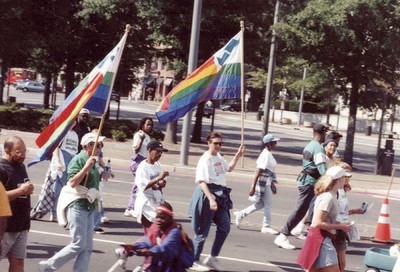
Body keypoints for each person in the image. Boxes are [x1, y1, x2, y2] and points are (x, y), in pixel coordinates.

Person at [38, 132, 104, 272]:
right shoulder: (79, 159)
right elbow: (72, 182)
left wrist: (103, 170)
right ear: (88, 146)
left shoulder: (93, 160)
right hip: (78, 205)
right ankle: (48, 266)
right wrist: (86, 167)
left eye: (101, 145)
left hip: (89, 205)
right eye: (98, 144)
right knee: (78, 243)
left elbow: (97, 179)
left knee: (87, 247)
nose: (100, 147)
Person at [188, 132, 244, 271]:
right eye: (215, 143)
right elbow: (201, 181)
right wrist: (211, 199)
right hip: (207, 194)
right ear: (209, 143)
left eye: (220, 143)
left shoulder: (218, 157)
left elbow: (228, 168)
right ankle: (194, 260)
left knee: (225, 227)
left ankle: (212, 258)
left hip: (220, 195)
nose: (218, 146)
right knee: (202, 231)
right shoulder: (205, 159)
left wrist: (238, 155)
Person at [274, 124, 328, 250]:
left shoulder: (310, 145)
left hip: (307, 181)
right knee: (300, 210)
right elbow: (322, 170)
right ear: (323, 133)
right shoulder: (318, 149)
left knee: (306, 210)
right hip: (310, 182)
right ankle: (283, 235)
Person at [297, 166, 351, 271]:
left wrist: (336, 223)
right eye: (345, 177)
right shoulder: (328, 197)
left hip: (323, 238)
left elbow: (325, 218)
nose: (346, 179)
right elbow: (317, 222)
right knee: (334, 270)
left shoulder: (332, 195)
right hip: (320, 239)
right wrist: (340, 226)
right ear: (339, 179)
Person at [113, 202, 192, 272]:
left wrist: (149, 252)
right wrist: (134, 247)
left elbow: (164, 248)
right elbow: (147, 242)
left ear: (170, 218)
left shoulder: (175, 233)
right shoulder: (155, 228)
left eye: (162, 218)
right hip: (156, 266)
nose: (158, 220)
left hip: (172, 267)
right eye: (157, 217)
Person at [31, 120, 79, 221]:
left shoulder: (75, 134)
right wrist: (58, 161)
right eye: (72, 120)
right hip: (61, 163)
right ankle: (53, 213)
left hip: (70, 163)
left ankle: (59, 212)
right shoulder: (62, 132)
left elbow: (74, 151)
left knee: (64, 190)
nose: (73, 123)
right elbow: (55, 147)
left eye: (75, 121)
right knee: (55, 190)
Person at [0, 136, 35, 272]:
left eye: (25, 151)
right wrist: (21, 190)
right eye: (19, 152)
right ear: (7, 151)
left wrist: (26, 223)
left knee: (18, 263)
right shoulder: (1, 169)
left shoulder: (21, 166)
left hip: (21, 225)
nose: (23, 155)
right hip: (6, 227)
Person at [234, 133, 280, 235]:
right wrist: (253, 187)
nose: (276, 143)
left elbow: (270, 170)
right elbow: (257, 171)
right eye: (274, 142)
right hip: (262, 182)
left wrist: (272, 184)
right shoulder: (265, 155)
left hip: (267, 182)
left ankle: (241, 214)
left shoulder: (268, 153)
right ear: (269, 144)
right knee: (267, 204)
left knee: (261, 204)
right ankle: (266, 226)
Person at [125, 117, 154, 217]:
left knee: (141, 186)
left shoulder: (148, 137)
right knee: (138, 184)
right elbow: (136, 150)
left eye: (150, 125)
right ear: (142, 125)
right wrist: (141, 140)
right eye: (147, 124)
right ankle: (130, 208)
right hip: (137, 161)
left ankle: (135, 207)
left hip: (144, 162)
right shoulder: (138, 135)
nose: (149, 126)